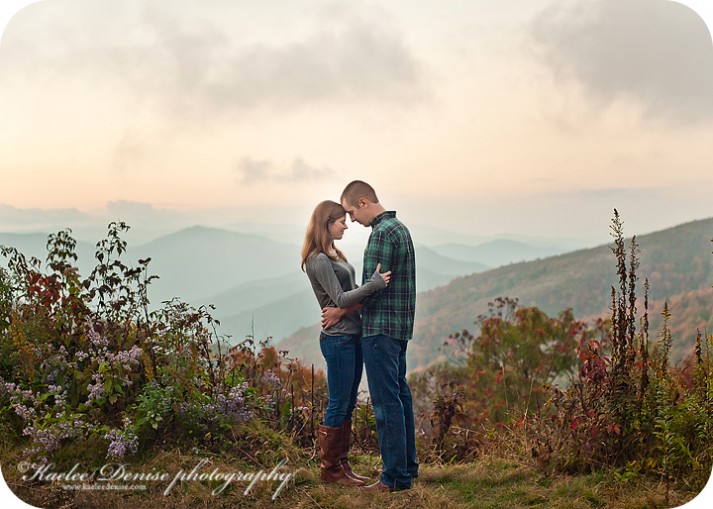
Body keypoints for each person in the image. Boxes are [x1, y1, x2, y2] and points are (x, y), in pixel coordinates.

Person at [322, 180, 418, 492]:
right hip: (400, 328)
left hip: (379, 330)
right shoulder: (399, 228)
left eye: (351, 212)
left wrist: (340, 311)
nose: (351, 220)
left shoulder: (380, 235)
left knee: (385, 404)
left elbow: (371, 289)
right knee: (400, 398)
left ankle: (391, 479)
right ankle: (406, 471)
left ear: (363, 202)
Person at [301, 200, 391, 486]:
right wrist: (374, 285)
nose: (346, 224)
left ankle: (342, 466)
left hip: (351, 335)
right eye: (341, 221)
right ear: (327, 223)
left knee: (348, 403)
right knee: (339, 403)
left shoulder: (334, 254)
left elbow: (345, 301)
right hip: (338, 340)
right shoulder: (318, 259)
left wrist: (350, 304)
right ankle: (330, 470)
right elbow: (340, 299)